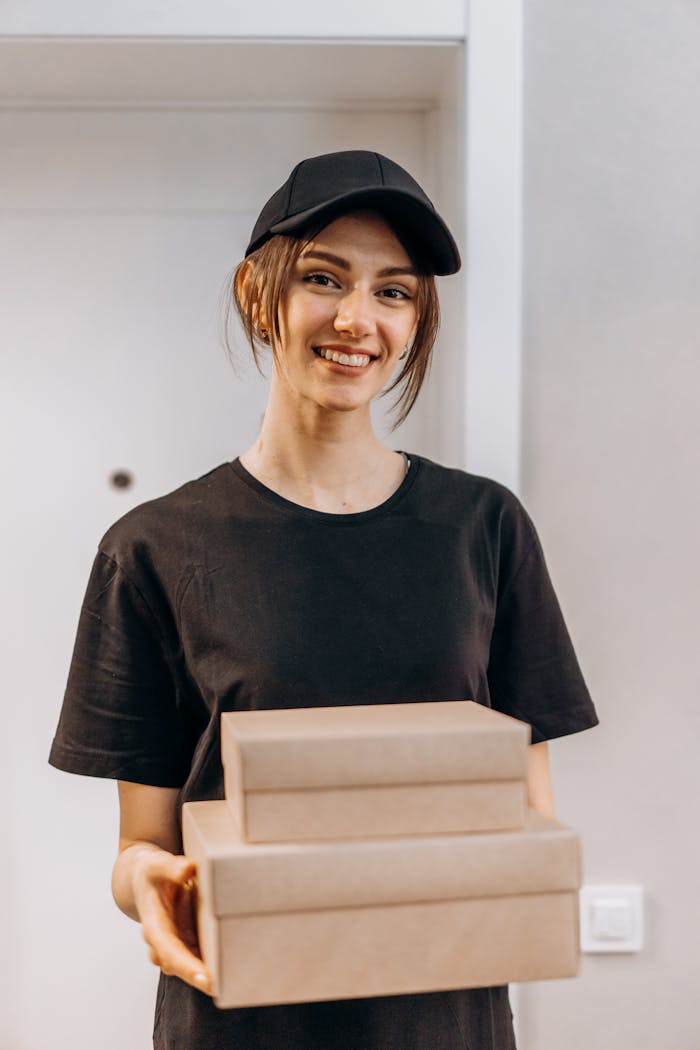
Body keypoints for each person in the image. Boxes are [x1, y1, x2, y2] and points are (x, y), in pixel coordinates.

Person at [49, 149, 598, 1050]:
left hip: (444, 1019)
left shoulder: (482, 527)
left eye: (395, 292)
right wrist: (147, 884)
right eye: (322, 277)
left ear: (416, 321)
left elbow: (525, 816)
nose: (357, 319)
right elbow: (140, 846)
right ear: (257, 295)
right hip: (242, 1021)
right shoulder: (154, 548)